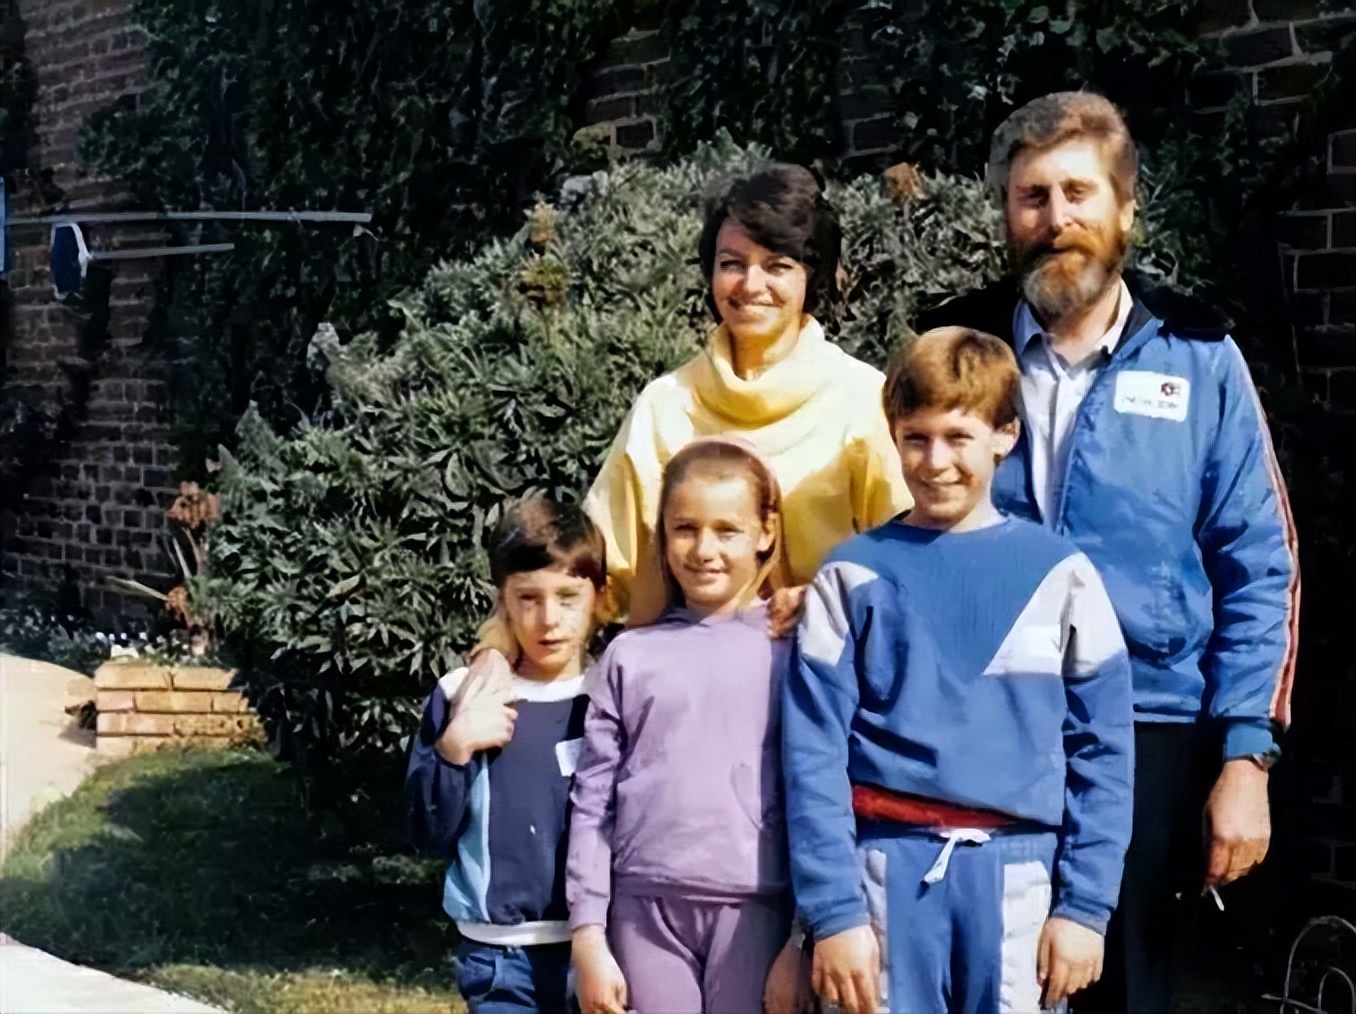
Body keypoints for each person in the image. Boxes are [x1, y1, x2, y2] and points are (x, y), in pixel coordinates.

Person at [914, 91, 1300, 1012]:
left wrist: (1245, 759)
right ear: (1006, 214)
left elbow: (1259, 565)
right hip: (985, 733)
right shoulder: (954, 351)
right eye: (1032, 196)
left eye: (1079, 193)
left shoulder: (1200, 358)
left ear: (1126, 209)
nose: (1056, 220)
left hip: (1149, 735)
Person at [783, 327, 1134, 1014]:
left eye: (958, 437)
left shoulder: (1061, 575)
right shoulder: (851, 575)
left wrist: (1085, 907)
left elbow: (1105, 752)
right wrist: (833, 912)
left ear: (1005, 435)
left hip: (1021, 878)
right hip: (884, 875)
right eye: (916, 438)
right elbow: (811, 754)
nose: (935, 461)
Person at [584, 163, 911, 628]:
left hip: (825, 659)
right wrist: (501, 642)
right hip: (686, 662)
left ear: (811, 276)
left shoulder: (862, 399)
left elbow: (906, 566)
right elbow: (594, 569)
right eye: (732, 264)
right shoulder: (664, 406)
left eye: (777, 266)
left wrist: (820, 600)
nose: (751, 285)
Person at [567, 438, 811, 1014]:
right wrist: (588, 934)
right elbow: (592, 802)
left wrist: (802, 938)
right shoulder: (629, 656)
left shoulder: (796, 650)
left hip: (758, 908)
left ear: (766, 532)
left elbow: (821, 794)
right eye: (685, 529)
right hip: (642, 907)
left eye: (727, 530)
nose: (704, 550)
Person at [404, 497, 607, 1014]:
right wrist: (453, 749)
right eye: (528, 598)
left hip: (599, 948)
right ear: (503, 601)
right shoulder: (463, 695)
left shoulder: (616, 695)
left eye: (568, 597)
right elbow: (426, 832)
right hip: (499, 956)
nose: (549, 618)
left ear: (600, 598)